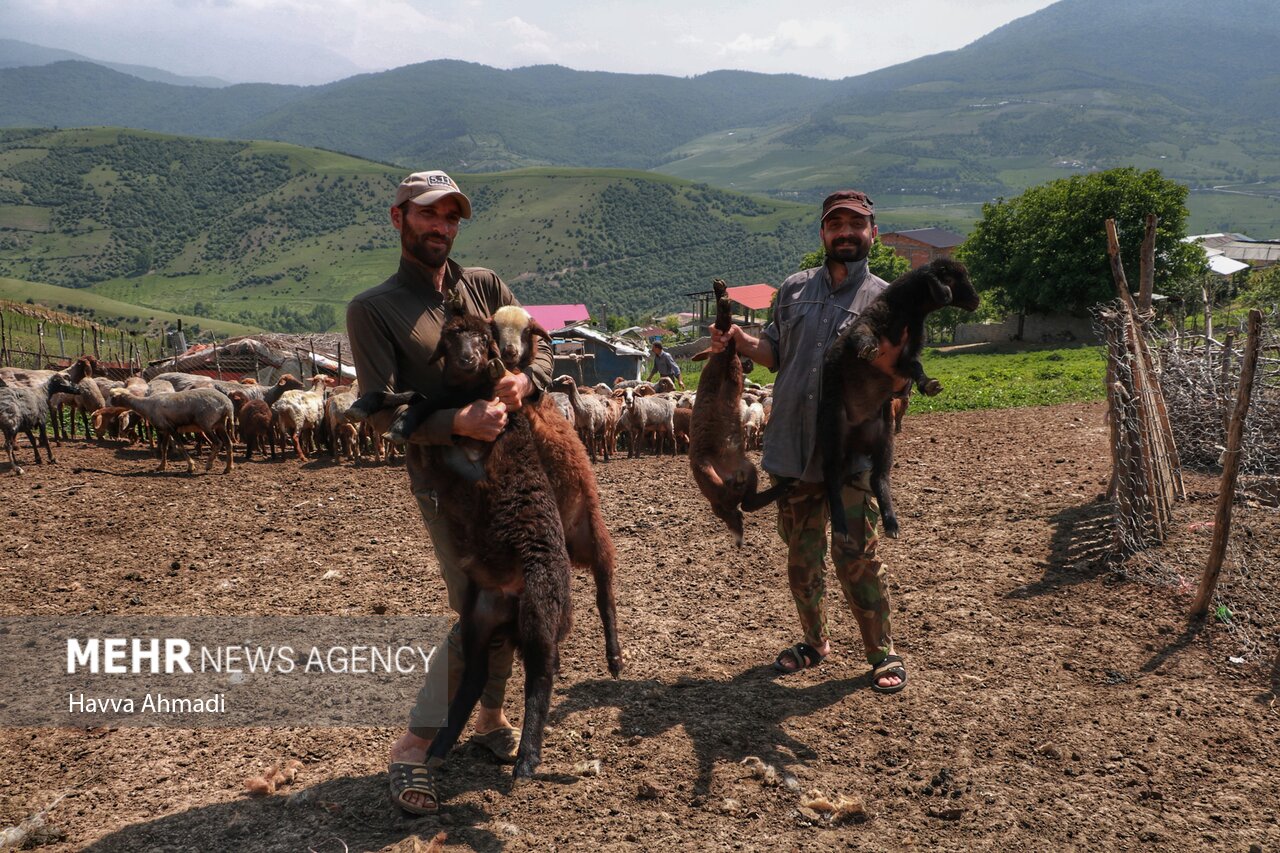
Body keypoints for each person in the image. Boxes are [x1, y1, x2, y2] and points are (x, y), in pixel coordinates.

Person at [346, 170, 555, 814]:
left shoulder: (484, 286)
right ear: (399, 218)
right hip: (448, 484)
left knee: (518, 593)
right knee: (480, 605)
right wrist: (456, 422)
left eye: (451, 217)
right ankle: (414, 746)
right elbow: (379, 413)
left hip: (512, 475)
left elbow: (541, 344)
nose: (441, 227)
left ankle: (489, 718)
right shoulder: (375, 309)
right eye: (428, 214)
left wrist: (528, 382)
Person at [707, 188, 906, 694]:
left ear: (872, 232)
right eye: (835, 224)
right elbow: (775, 352)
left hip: (850, 455)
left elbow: (899, 378)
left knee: (856, 556)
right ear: (822, 232)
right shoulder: (794, 289)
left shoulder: (887, 301)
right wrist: (740, 342)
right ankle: (815, 642)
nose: (845, 233)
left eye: (856, 224)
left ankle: (881, 652)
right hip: (792, 450)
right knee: (801, 559)